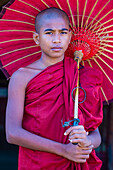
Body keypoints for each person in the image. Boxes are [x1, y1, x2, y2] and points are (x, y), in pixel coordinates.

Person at [5, 7, 103, 170]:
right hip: (37, 163)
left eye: (63, 33)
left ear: (70, 36)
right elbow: (12, 133)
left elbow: (96, 135)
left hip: (74, 160)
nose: (57, 39)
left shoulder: (81, 76)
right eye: (49, 33)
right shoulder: (21, 77)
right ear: (37, 38)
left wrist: (87, 141)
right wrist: (63, 150)